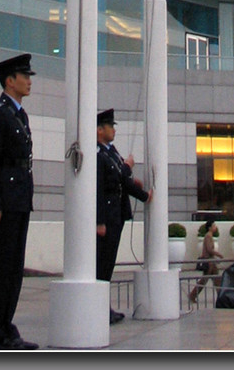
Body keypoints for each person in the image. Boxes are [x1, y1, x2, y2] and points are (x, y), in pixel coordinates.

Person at [0, 53, 39, 350]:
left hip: (20, 199)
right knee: (1, 268)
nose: (29, 81)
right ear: (9, 80)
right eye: (24, 76)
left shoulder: (19, 114)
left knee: (15, 268)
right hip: (5, 200)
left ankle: (6, 325)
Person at [96, 108, 153, 324]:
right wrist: (99, 221)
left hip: (116, 215)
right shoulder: (98, 153)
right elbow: (106, 184)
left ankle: (103, 306)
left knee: (108, 262)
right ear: (100, 130)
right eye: (110, 126)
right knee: (102, 263)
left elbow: (123, 180)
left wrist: (142, 193)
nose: (113, 130)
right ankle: (100, 307)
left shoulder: (111, 151)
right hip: (107, 217)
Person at [188, 217, 223, 304]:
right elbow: (209, 249)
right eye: (214, 225)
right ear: (210, 227)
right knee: (205, 280)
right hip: (209, 262)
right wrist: (218, 254)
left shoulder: (210, 236)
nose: (215, 227)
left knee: (217, 279)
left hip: (211, 261)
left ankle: (221, 296)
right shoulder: (208, 236)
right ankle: (192, 295)